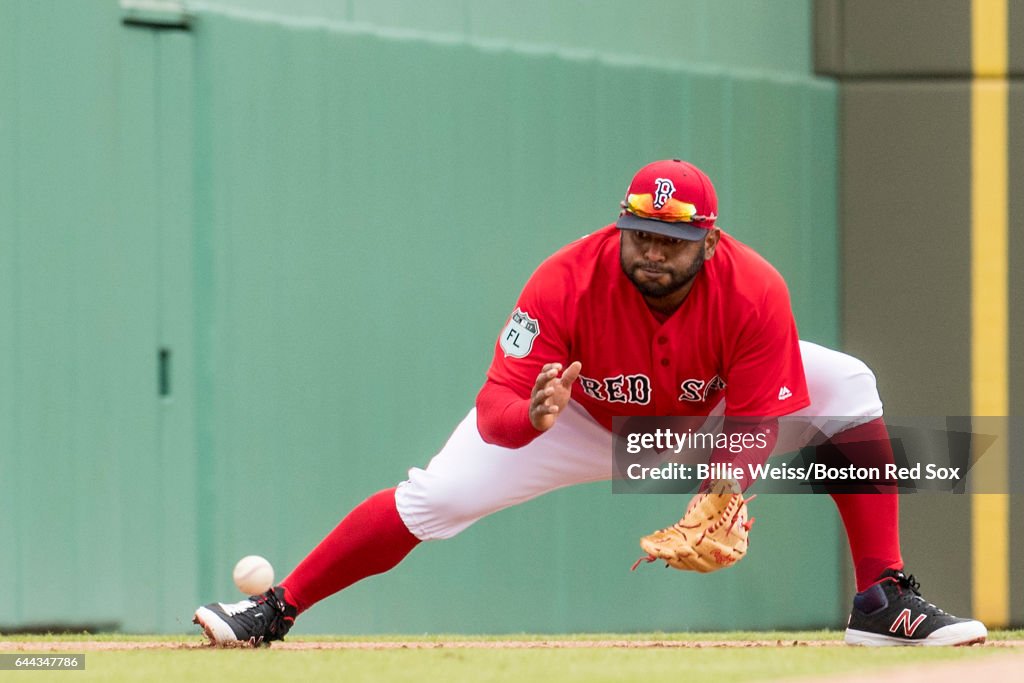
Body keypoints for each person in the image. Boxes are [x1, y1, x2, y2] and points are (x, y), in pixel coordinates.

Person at [193, 159, 987, 647]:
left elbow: (752, 421)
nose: (652, 250)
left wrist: (724, 490)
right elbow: (500, 401)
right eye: (640, 232)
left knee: (848, 382)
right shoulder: (566, 280)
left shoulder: (754, 290)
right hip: (575, 419)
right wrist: (530, 415)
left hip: (705, 418)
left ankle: (880, 599)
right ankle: (277, 607)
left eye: (671, 239)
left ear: (710, 241)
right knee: (434, 496)